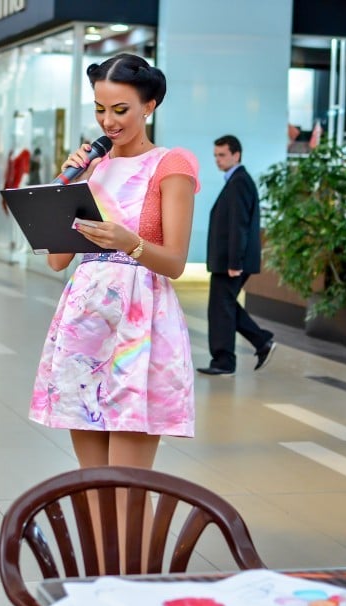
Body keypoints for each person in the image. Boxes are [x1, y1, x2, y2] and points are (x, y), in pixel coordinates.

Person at [29, 53, 199, 475]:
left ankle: (129, 545)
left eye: (120, 110)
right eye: (100, 109)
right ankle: (100, 545)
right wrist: (65, 181)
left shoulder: (171, 164)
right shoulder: (93, 168)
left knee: (127, 483)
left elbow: (176, 262)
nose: (108, 121)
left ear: (149, 105)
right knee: (93, 480)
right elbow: (57, 259)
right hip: (85, 321)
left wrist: (131, 243)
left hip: (139, 327)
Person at [197, 135, 275, 376]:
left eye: (222, 155)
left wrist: (234, 262)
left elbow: (239, 225)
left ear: (236, 155)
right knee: (224, 305)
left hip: (231, 262)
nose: (217, 160)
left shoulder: (239, 182)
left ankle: (225, 360)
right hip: (229, 261)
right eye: (215, 155)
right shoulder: (236, 181)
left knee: (222, 307)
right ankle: (260, 341)